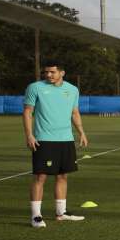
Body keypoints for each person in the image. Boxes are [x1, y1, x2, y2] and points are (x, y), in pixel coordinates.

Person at [22, 62, 88, 228]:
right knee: (40, 177)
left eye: (52, 72)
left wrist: (81, 132)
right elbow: (28, 111)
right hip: (43, 139)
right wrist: (29, 135)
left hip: (66, 139)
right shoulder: (35, 87)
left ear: (62, 73)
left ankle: (61, 213)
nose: (48, 75)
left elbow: (75, 112)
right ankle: (36, 216)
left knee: (62, 175)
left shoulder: (73, 89)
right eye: (46, 72)